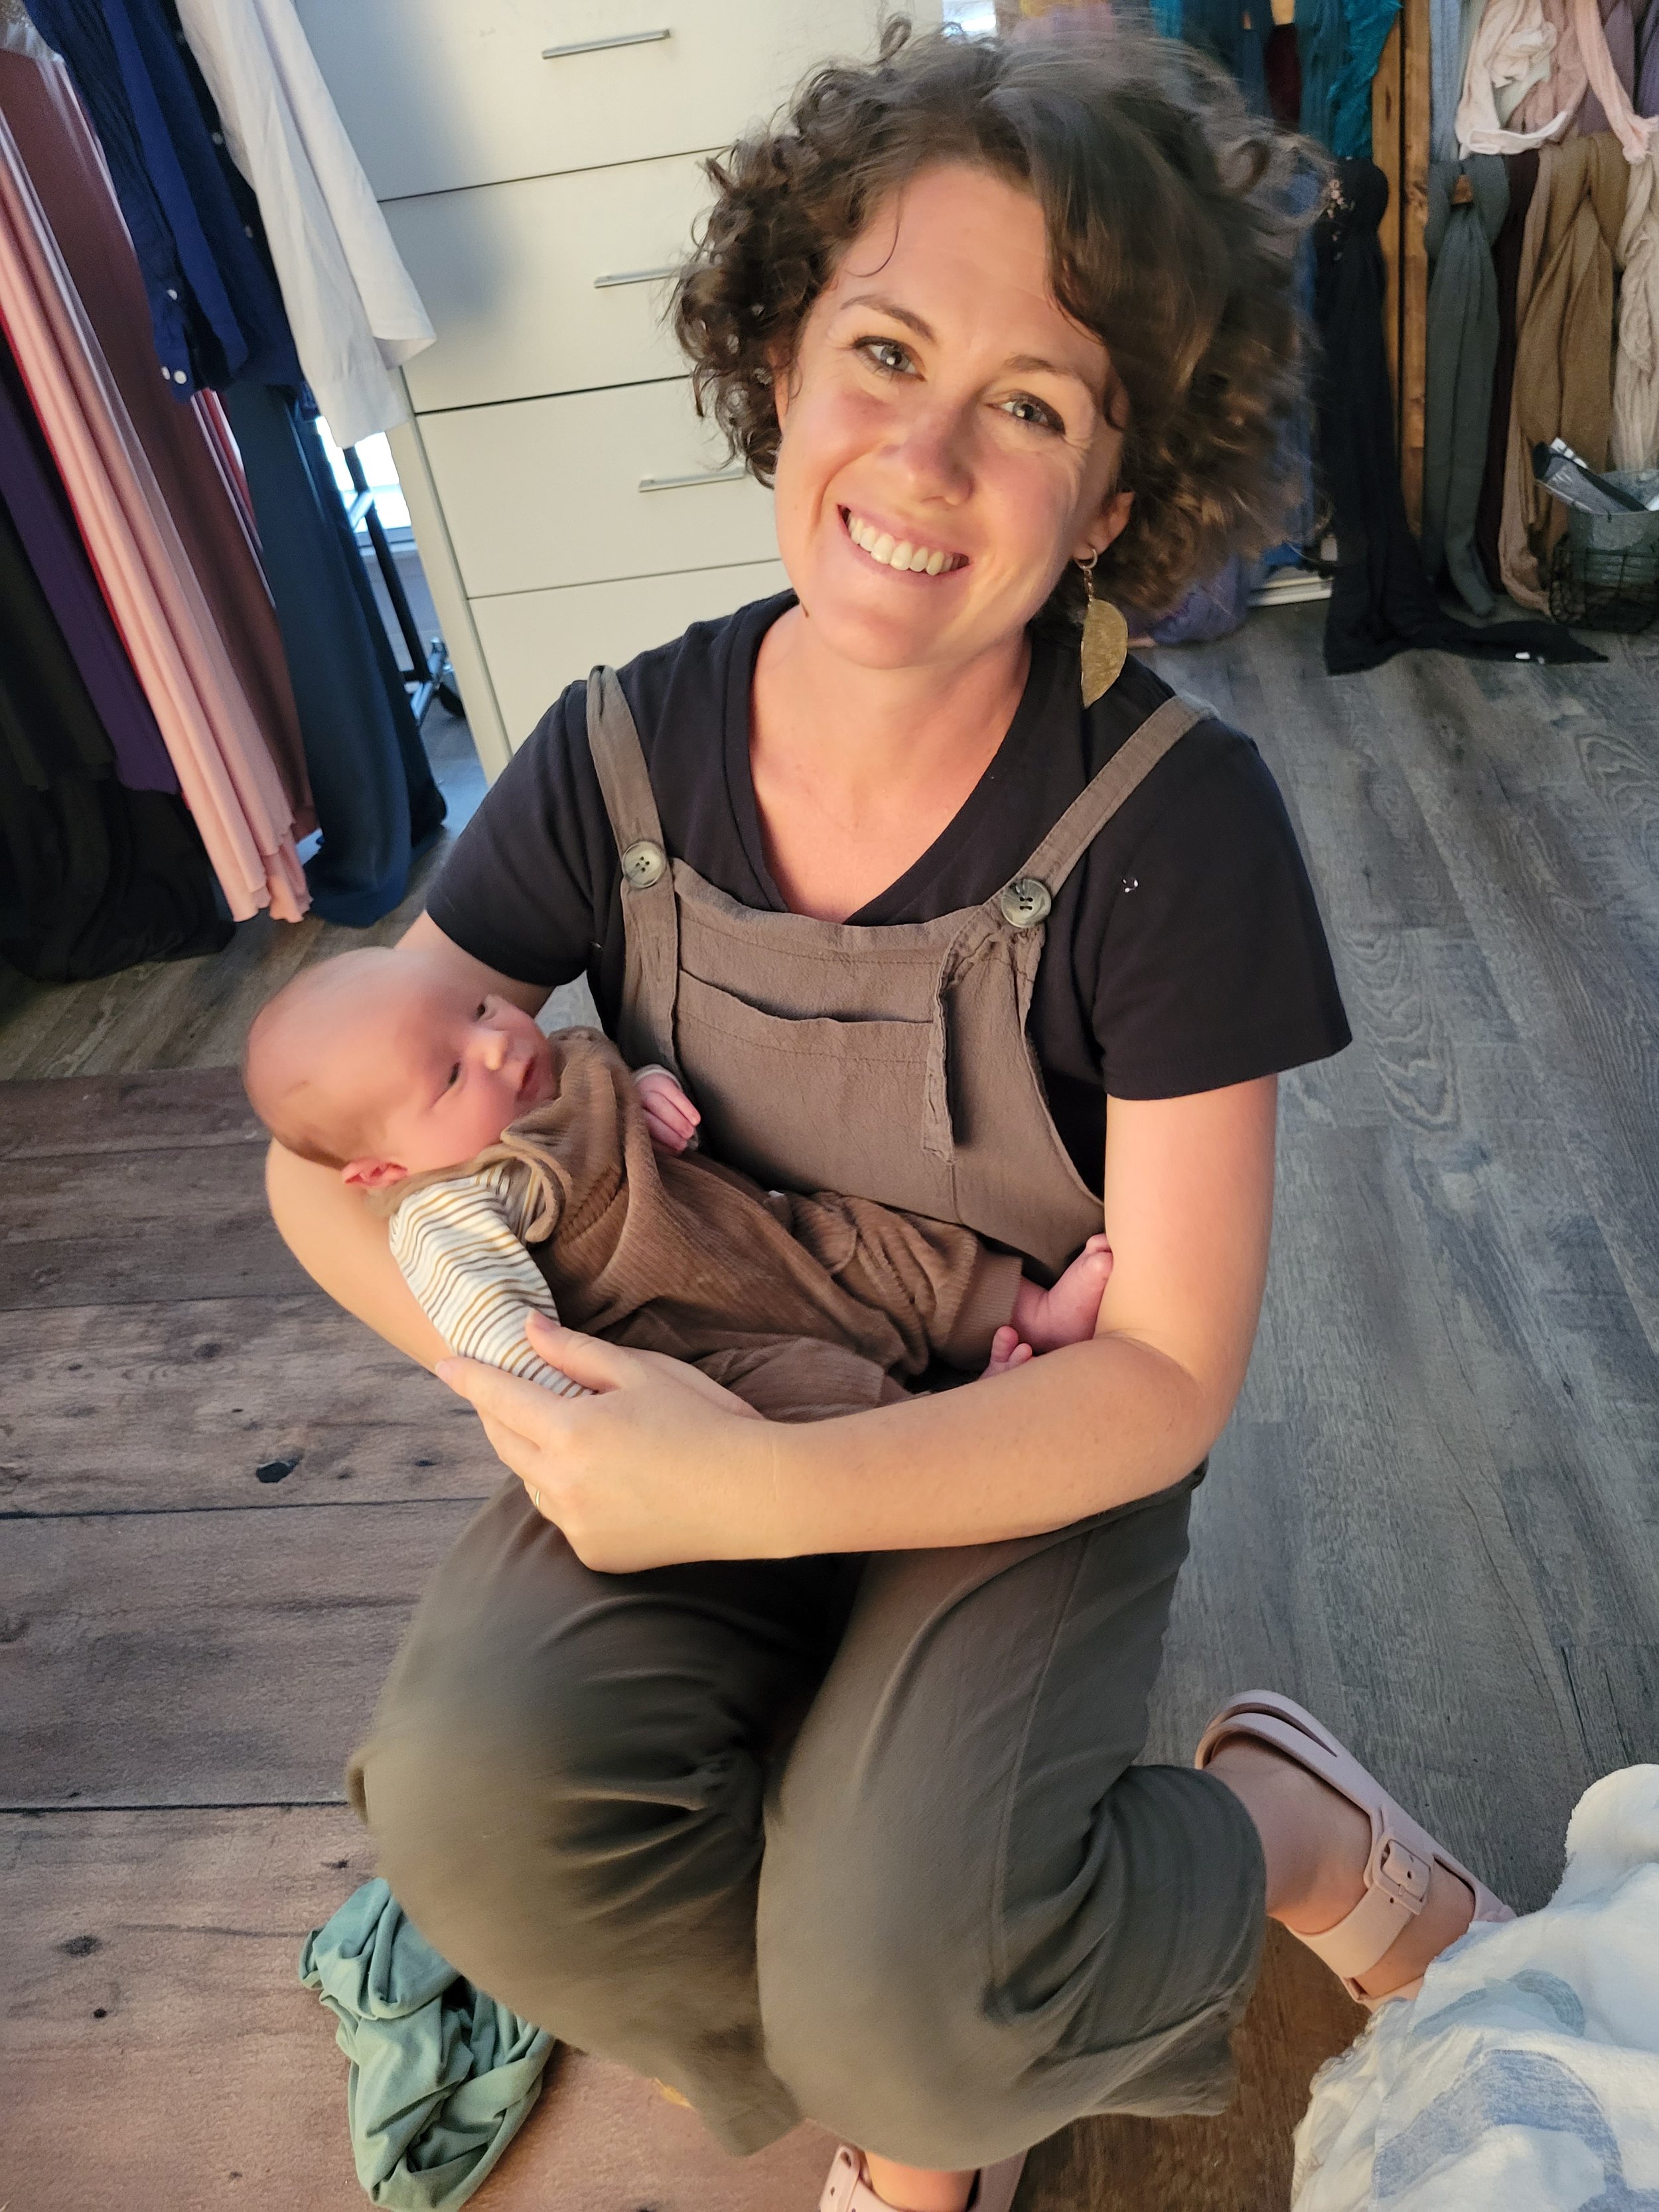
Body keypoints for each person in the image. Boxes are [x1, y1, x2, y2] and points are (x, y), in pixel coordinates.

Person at [266, 23, 1512, 2212]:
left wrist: (769, 1491)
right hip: (684, 1401)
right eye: (884, 349)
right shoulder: (619, 754)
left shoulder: (1173, 830)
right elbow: (325, 1146)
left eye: (1027, 407)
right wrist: (530, 1383)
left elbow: (1164, 1374)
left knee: (912, 1972)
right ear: (775, 348)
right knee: (475, 1807)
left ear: (1122, 500)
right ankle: (915, 2046)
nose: (926, 453)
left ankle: (1279, 1846)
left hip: (1014, 1445)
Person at [240, 944, 1116, 1420]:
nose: (499, 1044)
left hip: (776, 1240)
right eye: (451, 1076)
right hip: (710, 1350)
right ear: (386, 1168)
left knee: (893, 1249)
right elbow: (502, 1339)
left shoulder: (558, 1063)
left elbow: (609, 1075)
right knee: (827, 1404)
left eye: (476, 1009)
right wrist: (595, 1429)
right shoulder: (455, 1202)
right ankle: (960, 1430)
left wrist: (645, 1085)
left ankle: (1033, 1315)